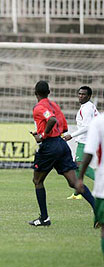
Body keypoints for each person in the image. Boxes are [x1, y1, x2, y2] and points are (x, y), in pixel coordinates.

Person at [28, 81, 95, 227]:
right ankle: (99, 211)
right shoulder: (54, 105)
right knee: (74, 182)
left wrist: (43, 135)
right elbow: (62, 124)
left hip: (49, 146)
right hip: (61, 144)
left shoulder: (39, 107)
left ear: (35, 92)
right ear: (49, 92)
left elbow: (51, 119)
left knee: (37, 181)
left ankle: (44, 218)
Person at [63, 86, 98, 199]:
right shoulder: (87, 106)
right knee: (77, 166)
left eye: (83, 94)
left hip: (86, 140)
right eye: (79, 94)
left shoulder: (87, 108)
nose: (80, 96)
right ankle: (77, 192)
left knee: (81, 165)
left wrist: (71, 135)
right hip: (87, 139)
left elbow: (87, 126)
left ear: (89, 96)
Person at [76, 112, 104, 255]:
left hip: (102, 185)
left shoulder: (98, 122)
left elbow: (90, 152)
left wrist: (79, 178)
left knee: (102, 226)